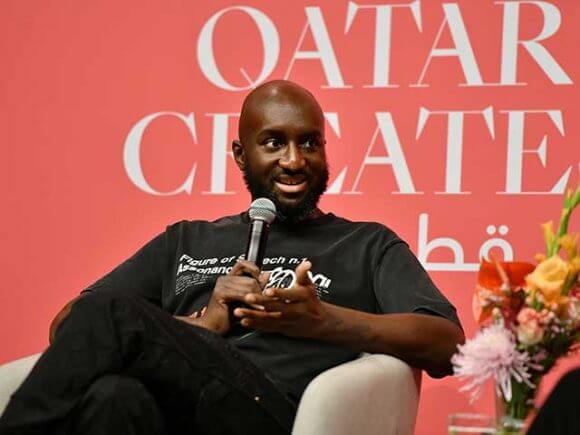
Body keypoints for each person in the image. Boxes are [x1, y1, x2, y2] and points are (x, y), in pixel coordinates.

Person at [0, 80, 464, 435]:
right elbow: (70, 326)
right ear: (241, 156)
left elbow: (448, 345)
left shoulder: (365, 244)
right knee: (111, 398)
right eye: (274, 143)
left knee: (112, 316)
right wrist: (204, 324)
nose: (294, 161)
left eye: (309, 142)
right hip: (172, 412)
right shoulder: (187, 239)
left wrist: (323, 322)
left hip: (269, 411)